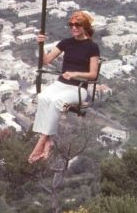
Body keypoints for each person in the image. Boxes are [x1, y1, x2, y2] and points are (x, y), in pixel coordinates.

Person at [28, 10, 100, 164]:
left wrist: (74, 74)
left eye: (78, 25)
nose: (74, 28)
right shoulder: (66, 42)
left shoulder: (92, 47)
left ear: (85, 27)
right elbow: (45, 61)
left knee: (56, 102)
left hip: (78, 88)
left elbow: (93, 74)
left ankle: (42, 142)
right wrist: (41, 45)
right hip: (61, 83)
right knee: (43, 97)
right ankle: (49, 140)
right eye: (71, 25)